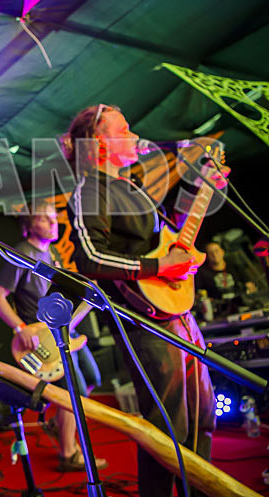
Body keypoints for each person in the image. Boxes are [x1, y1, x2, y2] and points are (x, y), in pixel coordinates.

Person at [62, 104, 229, 496]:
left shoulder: (131, 188)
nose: (135, 136)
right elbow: (90, 258)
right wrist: (156, 265)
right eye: (124, 129)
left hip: (178, 314)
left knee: (203, 416)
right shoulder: (90, 189)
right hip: (146, 323)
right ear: (99, 144)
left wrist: (201, 188)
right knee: (168, 425)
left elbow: (169, 237)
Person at [0, 201, 106, 471]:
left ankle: (57, 425)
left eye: (54, 218)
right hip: (44, 341)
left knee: (91, 380)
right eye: (44, 219)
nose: (53, 223)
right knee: (70, 394)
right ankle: (68, 453)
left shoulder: (52, 253)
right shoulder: (23, 253)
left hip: (65, 332)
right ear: (28, 226)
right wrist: (21, 327)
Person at [196, 241, 258, 316]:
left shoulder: (235, 266)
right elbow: (199, 294)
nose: (214, 255)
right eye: (211, 253)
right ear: (206, 256)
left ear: (222, 252)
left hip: (241, 306)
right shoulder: (202, 273)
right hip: (218, 311)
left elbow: (250, 285)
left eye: (216, 251)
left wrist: (250, 289)